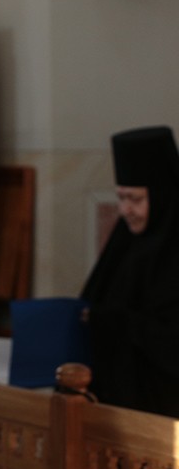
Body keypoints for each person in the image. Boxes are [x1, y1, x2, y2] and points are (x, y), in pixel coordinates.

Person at [81, 125, 179, 417]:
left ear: (162, 196)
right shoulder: (125, 243)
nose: (125, 210)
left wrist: (115, 321)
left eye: (135, 199)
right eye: (121, 197)